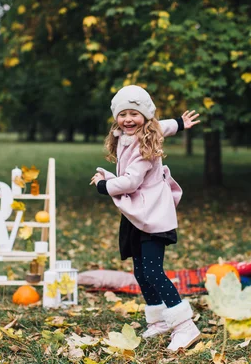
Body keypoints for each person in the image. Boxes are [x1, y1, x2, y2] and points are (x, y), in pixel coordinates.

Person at [90, 85, 201, 351]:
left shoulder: (143, 145)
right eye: (123, 113)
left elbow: (130, 182)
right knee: (140, 270)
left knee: (152, 270)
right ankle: (159, 320)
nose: (128, 119)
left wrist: (103, 185)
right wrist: (179, 123)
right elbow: (164, 125)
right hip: (137, 214)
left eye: (134, 114)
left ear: (145, 117)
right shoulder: (133, 132)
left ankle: (184, 325)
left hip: (153, 214)